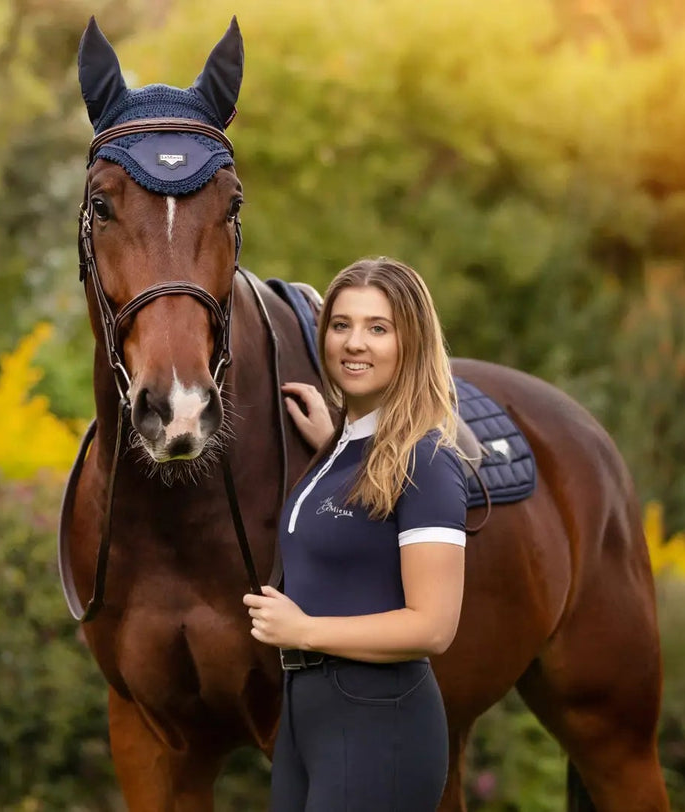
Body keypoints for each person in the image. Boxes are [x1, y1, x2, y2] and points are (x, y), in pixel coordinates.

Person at [243, 256, 468, 811]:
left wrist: (305, 629)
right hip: (306, 719)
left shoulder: (427, 460)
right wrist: (332, 440)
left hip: (378, 722)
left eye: (378, 328)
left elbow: (433, 627)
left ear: (410, 342)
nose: (354, 343)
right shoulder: (343, 451)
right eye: (341, 325)